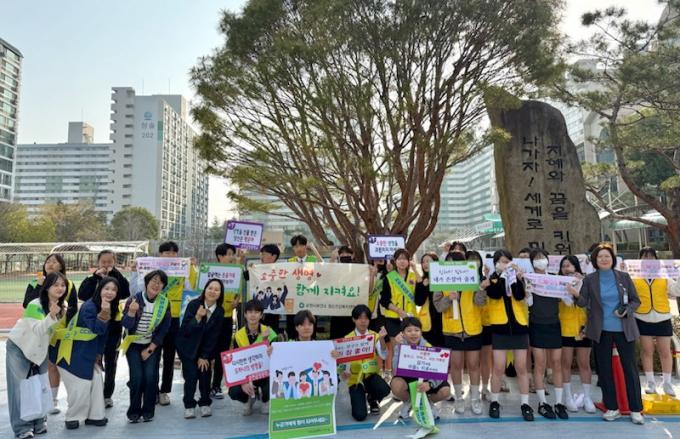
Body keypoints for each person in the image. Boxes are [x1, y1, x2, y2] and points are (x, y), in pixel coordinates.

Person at [567, 243, 644, 425]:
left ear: (612, 259)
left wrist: (626, 310)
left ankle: (635, 409)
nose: (603, 259)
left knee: (630, 369)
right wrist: (575, 294)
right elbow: (583, 303)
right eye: (600, 256)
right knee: (604, 370)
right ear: (595, 260)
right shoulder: (590, 279)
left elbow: (635, 301)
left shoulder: (623, 277)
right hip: (601, 330)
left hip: (624, 329)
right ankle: (612, 407)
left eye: (607, 256)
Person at [131, 241, 198, 406]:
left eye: (174, 253)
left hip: (174, 317)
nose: (171, 256)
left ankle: (164, 391)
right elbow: (136, 290)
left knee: (169, 355)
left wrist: (192, 268)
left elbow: (191, 289)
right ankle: (151, 391)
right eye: (167, 252)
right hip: (154, 317)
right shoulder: (151, 269)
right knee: (153, 354)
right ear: (160, 255)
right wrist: (134, 271)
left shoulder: (183, 268)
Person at [55, 277, 120, 430]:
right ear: (99, 289)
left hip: (89, 351)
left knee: (97, 378)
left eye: (114, 290)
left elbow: (103, 335)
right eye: (106, 288)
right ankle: (73, 417)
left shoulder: (109, 306)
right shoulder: (90, 306)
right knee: (81, 384)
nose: (110, 292)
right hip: (74, 351)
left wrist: (98, 354)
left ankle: (95, 416)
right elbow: (96, 329)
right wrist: (104, 312)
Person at [7, 272, 66, 439]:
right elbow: (38, 330)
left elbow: (54, 333)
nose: (60, 288)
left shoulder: (63, 305)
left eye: (63, 285)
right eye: (55, 285)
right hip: (19, 347)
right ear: (47, 287)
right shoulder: (35, 304)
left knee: (41, 385)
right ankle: (22, 428)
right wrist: (52, 315)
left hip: (40, 351)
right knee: (19, 388)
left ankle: (39, 422)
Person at [22, 253, 78, 414]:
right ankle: (39, 398)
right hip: (38, 332)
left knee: (53, 365)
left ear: (61, 266)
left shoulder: (69, 284)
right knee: (38, 365)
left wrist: (64, 323)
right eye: (48, 261)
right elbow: (27, 304)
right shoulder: (35, 283)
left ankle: (52, 400)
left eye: (54, 262)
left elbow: (73, 308)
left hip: (58, 332)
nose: (50, 264)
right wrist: (40, 286)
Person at [433, 252, 486, 415]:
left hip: (472, 328)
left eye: (455, 263)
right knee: (456, 365)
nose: (452, 267)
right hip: (452, 330)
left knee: (473, 365)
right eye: (448, 263)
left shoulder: (473, 278)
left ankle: (475, 398)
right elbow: (438, 307)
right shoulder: (440, 281)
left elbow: (480, 302)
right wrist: (449, 298)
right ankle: (458, 398)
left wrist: (481, 288)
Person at [77, 250, 130, 408]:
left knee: (111, 360)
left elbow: (125, 292)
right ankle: (92, 392)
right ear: (98, 263)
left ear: (114, 262)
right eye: (103, 262)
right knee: (93, 359)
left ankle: (107, 395)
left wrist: (115, 273)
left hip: (113, 326)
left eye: (110, 262)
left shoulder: (117, 278)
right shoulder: (93, 278)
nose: (106, 265)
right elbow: (82, 295)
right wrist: (95, 277)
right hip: (94, 324)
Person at [485, 250, 533, 421]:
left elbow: (519, 296)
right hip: (500, 327)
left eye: (508, 261)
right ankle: (495, 401)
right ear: (496, 263)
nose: (505, 265)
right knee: (498, 367)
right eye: (502, 261)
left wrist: (518, 278)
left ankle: (525, 403)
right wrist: (502, 276)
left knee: (521, 367)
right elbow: (495, 293)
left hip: (519, 327)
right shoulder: (491, 280)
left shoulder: (516, 278)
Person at [121, 270, 172, 423]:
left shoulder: (164, 303)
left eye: (160, 282)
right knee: (137, 378)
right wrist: (131, 312)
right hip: (133, 345)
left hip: (151, 345)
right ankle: (134, 411)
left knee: (150, 377)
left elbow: (164, 329)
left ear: (163, 286)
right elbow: (126, 325)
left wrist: (150, 349)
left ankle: (148, 410)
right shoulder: (133, 300)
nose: (156, 284)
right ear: (146, 282)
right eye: (154, 281)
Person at [526, 249, 568, 420]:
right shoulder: (529, 279)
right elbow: (528, 303)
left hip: (554, 324)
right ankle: (543, 402)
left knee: (557, 363)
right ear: (532, 262)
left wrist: (571, 287)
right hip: (536, 324)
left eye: (542, 257)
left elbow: (567, 301)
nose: (540, 261)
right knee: (540, 364)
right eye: (536, 258)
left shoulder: (555, 278)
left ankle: (559, 402)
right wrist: (528, 291)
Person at [633, 247, 679, 396]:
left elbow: (676, 291)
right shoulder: (634, 277)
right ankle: (650, 382)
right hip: (642, 317)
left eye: (651, 257)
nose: (648, 260)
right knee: (647, 351)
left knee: (665, 351)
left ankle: (667, 383)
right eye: (645, 257)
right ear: (639, 260)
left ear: (656, 260)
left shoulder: (664, 276)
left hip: (662, 317)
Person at [178, 279, 225, 419]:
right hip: (188, 348)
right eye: (210, 288)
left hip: (205, 350)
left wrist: (204, 356)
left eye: (216, 289)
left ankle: (205, 403)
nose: (212, 291)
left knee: (205, 374)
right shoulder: (193, 305)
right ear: (205, 289)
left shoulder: (219, 311)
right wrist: (198, 317)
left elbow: (214, 336)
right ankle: (189, 405)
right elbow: (186, 330)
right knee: (191, 376)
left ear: (220, 293)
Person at [390, 317, 451, 420]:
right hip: (408, 379)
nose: (413, 333)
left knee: (446, 391)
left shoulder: (429, 347)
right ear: (403, 333)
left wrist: (430, 384)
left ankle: (428, 402)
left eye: (416, 330)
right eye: (409, 330)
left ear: (421, 332)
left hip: (426, 381)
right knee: (396, 385)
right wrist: (400, 347)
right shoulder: (400, 346)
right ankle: (410, 402)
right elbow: (395, 370)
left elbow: (440, 373)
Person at [557, 255, 595, 413]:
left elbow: (588, 303)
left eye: (569, 265)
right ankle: (568, 397)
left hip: (582, 328)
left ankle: (587, 397)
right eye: (563, 266)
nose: (566, 269)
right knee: (565, 363)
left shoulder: (584, 282)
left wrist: (578, 286)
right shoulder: (556, 283)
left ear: (576, 267)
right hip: (564, 328)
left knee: (584, 363)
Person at [339, 305, 390, 421]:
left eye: (366, 318)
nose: (363, 321)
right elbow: (343, 364)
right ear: (354, 319)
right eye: (359, 318)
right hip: (355, 380)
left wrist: (382, 339)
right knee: (360, 415)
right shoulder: (347, 338)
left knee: (384, 389)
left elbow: (384, 355)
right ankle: (359, 397)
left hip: (371, 376)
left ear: (369, 320)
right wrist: (344, 373)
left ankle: (372, 399)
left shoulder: (375, 336)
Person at [228, 300, 278, 415]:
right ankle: (248, 399)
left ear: (261, 315)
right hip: (247, 374)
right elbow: (236, 361)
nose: (253, 315)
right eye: (250, 312)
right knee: (234, 391)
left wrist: (266, 342)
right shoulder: (239, 335)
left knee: (275, 382)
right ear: (245, 314)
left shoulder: (269, 332)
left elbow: (276, 360)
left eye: (256, 312)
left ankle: (266, 400)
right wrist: (243, 382)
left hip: (266, 373)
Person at [209, 244, 242, 400]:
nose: (231, 257)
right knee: (208, 351)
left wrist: (237, 301)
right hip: (210, 317)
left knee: (222, 353)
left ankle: (216, 385)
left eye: (232, 254)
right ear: (220, 256)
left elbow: (239, 292)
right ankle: (204, 384)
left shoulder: (236, 272)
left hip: (227, 317)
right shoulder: (210, 271)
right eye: (228, 254)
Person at [379, 248, 417, 380]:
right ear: (395, 261)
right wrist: (399, 311)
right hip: (393, 319)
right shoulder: (389, 277)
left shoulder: (413, 277)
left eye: (405, 259)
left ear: (409, 261)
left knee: (410, 351)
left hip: (410, 320)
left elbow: (419, 298)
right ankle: (397, 381)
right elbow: (384, 301)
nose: (402, 261)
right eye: (399, 259)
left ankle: (410, 380)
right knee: (397, 351)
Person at [286, 235, 322, 338]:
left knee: (310, 324)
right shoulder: (289, 261)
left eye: (301, 245)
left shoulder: (313, 259)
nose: (299, 248)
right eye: (296, 246)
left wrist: (314, 249)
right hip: (294, 300)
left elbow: (323, 267)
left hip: (310, 299)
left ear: (306, 246)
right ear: (293, 248)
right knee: (292, 329)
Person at [330, 246, 359, 340]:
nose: (344, 255)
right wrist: (332, 259)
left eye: (347, 253)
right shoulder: (335, 268)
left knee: (350, 337)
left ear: (353, 255)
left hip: (352, 308)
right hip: (337, 308)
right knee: (336, 337)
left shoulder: (359, 269)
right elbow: (326, 275)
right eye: (342, 253)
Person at [415, 252, 443, 348]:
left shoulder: (443, 278)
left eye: (428, 261)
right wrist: (424, 286)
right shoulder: (421, 280)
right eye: (423, 262)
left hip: (443, 321)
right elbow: (419, 302)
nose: (425, 264)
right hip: (428, 322)